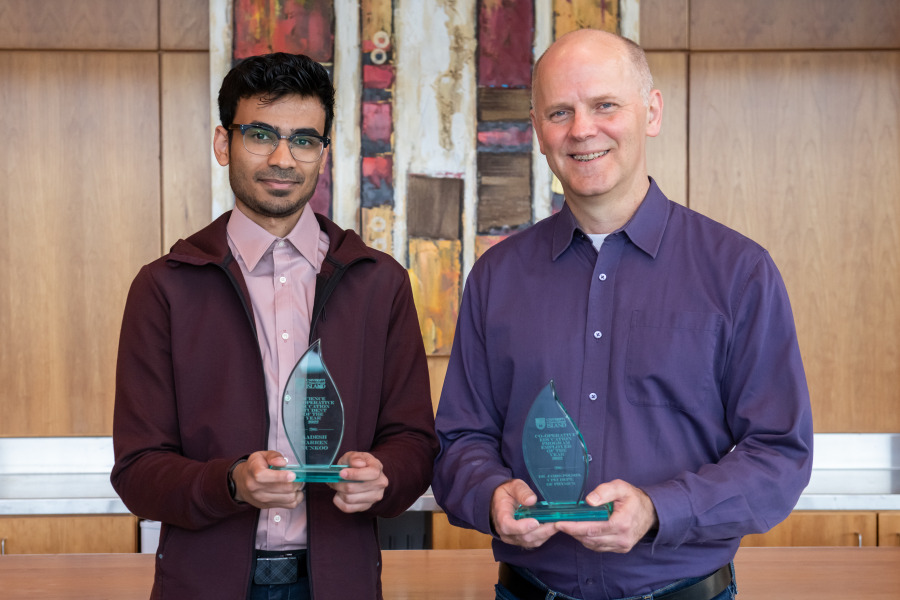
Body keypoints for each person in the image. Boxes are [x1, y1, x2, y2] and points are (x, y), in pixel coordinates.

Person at [432, 29, 813, 600]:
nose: (582, 129)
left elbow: (779, 454)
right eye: (560, 112)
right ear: (538, 131)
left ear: (651, 112)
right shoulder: (496, 277)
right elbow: (460, 439)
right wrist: (489, 495)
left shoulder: (739, 272)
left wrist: (659, 510)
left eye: (605, 105)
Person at [111, 52, 438, 600]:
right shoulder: (164, 287)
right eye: (261, 135)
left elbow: (414, 443)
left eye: (304, 140)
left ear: (323, 155)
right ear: (224, 144)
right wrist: (232, 483)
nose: (283, 158)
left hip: (340, 584)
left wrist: (383, 478)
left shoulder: (380, 283)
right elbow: (138, 470)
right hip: (204, 586)